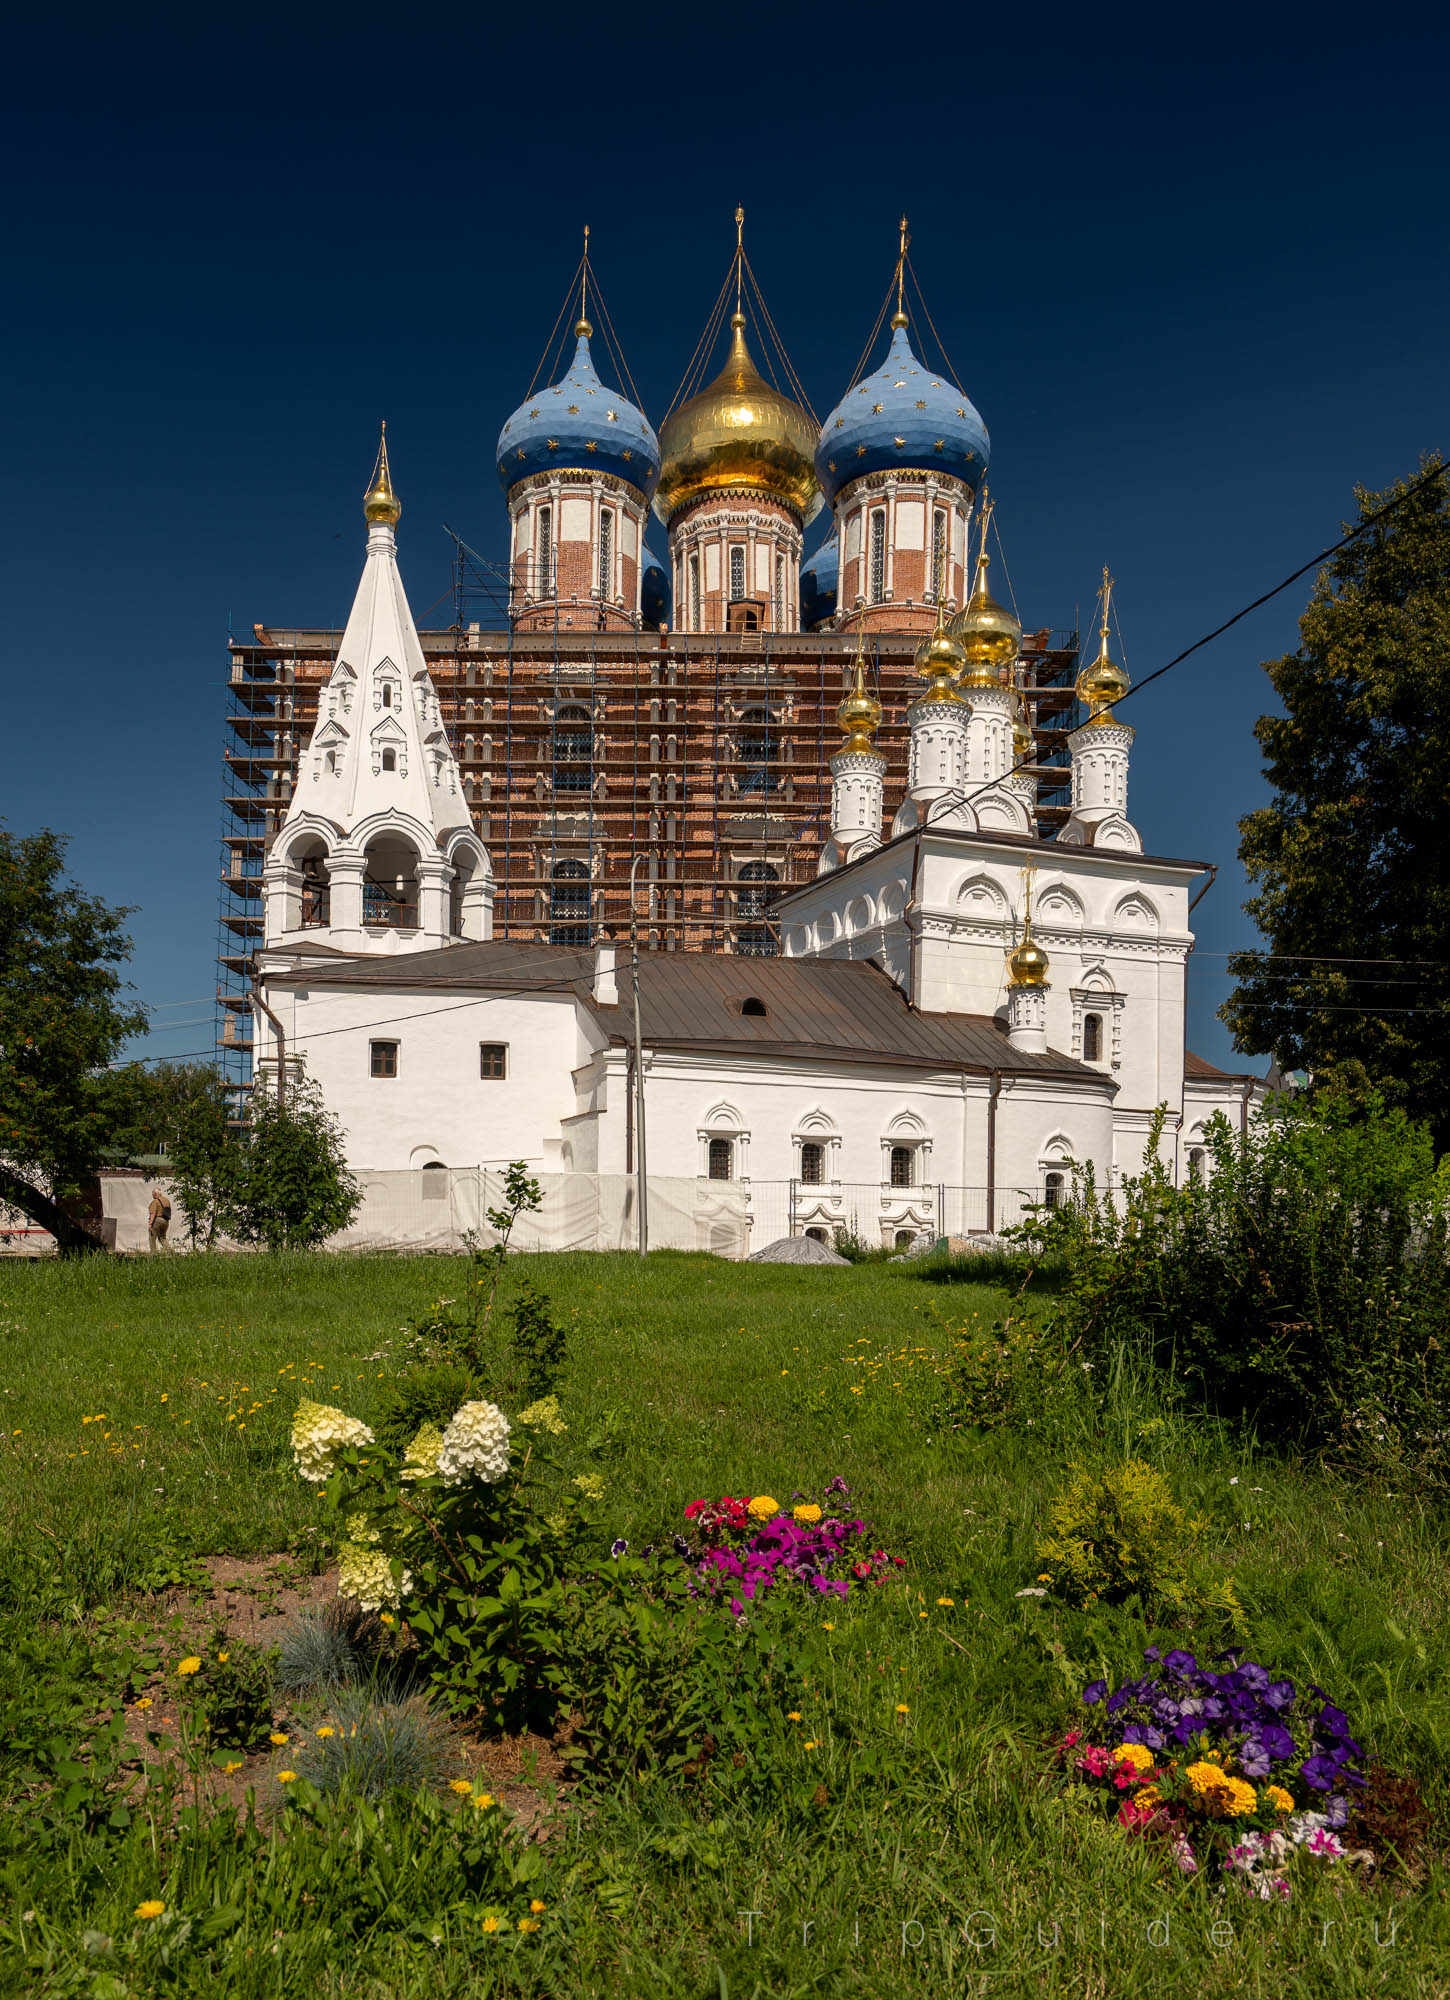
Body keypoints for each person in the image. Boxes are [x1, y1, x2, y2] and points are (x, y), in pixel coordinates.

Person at [148, 1184, 172, 1253]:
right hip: (166, 1221)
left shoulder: (155, 1201)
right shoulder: (167, 1200)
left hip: (157, 1220)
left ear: (155, 1194)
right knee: (162, 1238)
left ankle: (154, 1254)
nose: (152, 1195)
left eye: (152, 1194)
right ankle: (171, 1252)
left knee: (152, 1238)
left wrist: (150, 1224)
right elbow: (169, 1211)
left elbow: (153, 1213)